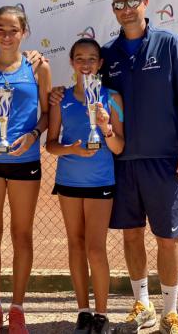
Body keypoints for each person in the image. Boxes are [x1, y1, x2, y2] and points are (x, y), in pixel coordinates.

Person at [50, 0, 178, 334]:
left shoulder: (170, 44)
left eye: (131, 2)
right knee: (131, 235)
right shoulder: (109, 54)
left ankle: (171, 311)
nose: (126, 9)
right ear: (113, 9)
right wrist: (59, 93)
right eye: (119, 4)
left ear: (145, 3)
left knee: (168, 238)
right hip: (120, 161)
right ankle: (143, 305)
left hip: (164, 160)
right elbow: (90, 89)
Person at [0, 6, 51, 334]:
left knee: (22, 235)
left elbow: (46, 114)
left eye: (13, 29)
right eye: (0, 29)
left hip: (25, 162)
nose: (6, 35)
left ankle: (17, 308)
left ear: (24, 33)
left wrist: (33, 135)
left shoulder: (38, 68)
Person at [46, 38, 124, 334]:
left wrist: (105, 128)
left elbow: (118, 147)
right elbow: (51, 145)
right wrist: (72, 150)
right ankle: (83, 311)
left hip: (101, 182)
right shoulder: (60, 98)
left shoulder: (113, 97)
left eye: (92, 58)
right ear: (71, 62)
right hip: (68, 182)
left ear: (101, 63)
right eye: (80, 58)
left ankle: (102, 315)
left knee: (95, 249)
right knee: (76, 246)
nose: (86, 64)